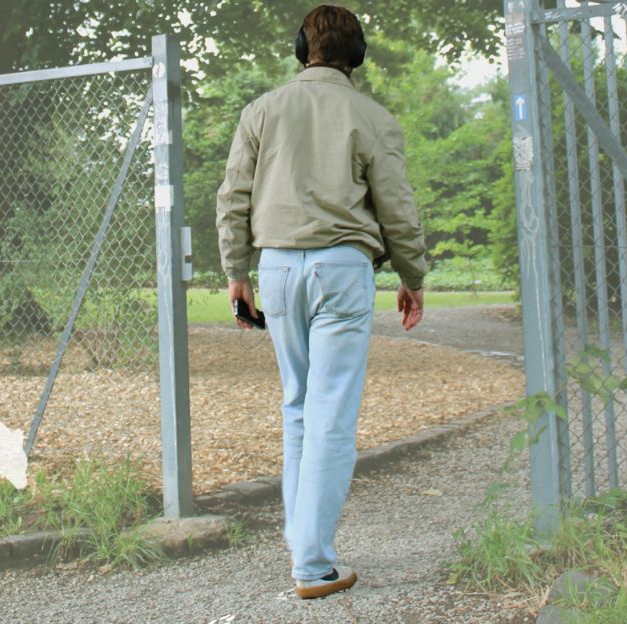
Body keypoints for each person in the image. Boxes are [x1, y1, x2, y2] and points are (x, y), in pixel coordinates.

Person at [216, 4, 427, 600]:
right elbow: (397, 209)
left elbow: (232, 196)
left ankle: (302, 541)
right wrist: (412, 275)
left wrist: (238, 274)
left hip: (278, 267)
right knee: (331, 413)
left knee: (299, 408)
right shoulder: (373, 117)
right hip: (342, 268)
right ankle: (311, 564)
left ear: (298, 48)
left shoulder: (261, 111)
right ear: (357, 55)